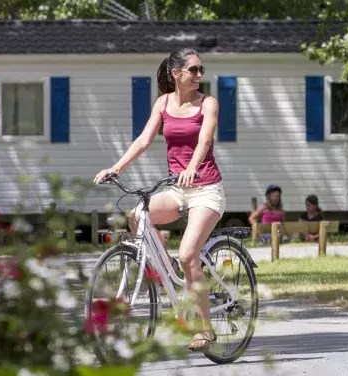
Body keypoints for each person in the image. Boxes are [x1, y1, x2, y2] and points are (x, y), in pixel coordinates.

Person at [93, 47, 225, 351]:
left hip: (206, 188)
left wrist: (192, 167)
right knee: (138, 215)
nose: (199, 75)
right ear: (175, 73)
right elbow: (143, 140)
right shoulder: (163, 103)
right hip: (177, 188)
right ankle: (170, 270)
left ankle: (206, 330)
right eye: (193, 70)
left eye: (201, 70)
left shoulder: (208, 103)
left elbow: (205, 139)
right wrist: (115, 168)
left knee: (189, 254)